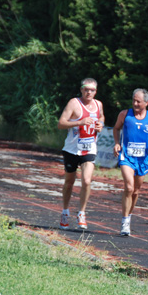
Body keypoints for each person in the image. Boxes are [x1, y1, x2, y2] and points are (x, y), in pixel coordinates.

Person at [113, 88, 148, 236]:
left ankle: (129, 215)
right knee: (128, 187)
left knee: (135, 191)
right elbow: (116, 129)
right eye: (133, 100)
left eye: (138, 101)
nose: (135, 103)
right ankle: (125, 221)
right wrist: (117, 143)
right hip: (127, 157)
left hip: (143, 159)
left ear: (146, 102)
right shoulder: (124, 114)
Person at [57, 78, 104, 230]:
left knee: (87, 180)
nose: (88, 92)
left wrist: (100, 125)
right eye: (86, 89)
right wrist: (79, 122)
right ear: (81, 89)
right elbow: (61, 123)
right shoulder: (74, 103)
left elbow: (101, 117)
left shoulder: (98, 104)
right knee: (69, 182)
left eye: (92, 90)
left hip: (89, 148)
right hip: (72, 149)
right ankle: (65, 211)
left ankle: (82, 212)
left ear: (95, 91)